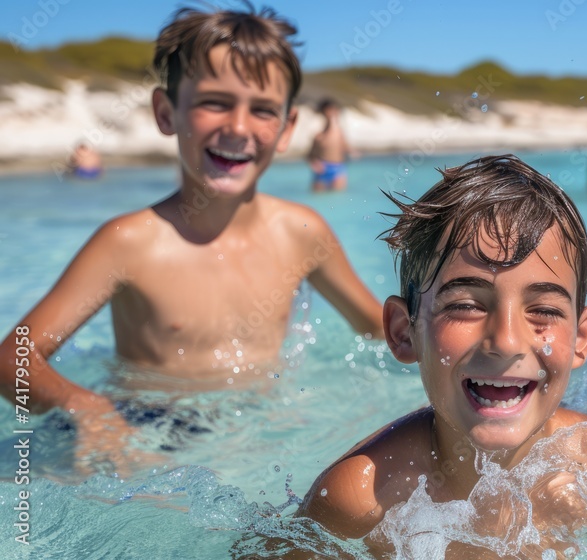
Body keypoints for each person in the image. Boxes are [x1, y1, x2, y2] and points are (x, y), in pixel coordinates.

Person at [0, 5, 383, 473]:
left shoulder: (302, 233)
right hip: (147, 430)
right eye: (214, 102)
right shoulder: (129, 243)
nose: (238, 128)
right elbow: (15, 357)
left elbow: (378, 330)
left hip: (265, 429)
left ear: (286, 130)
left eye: (262, 110)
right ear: (166, 112)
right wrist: (85, 406)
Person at [293, 155, 587, 556]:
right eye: (466, 305)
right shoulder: (362, 498)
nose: (507, 341)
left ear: (581, 337)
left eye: (543, 310)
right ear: (404, 332)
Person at [307, 97, 353, 192]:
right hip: (322, 169)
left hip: (337, 169)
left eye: (334, 110)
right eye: (330, 110)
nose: (332, 113)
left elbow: (346, 148)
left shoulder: (339, 133)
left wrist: (352, 152)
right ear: (324, 112)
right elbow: (310, 156)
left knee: (338, 199)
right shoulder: (318, 137)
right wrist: (315, 164)